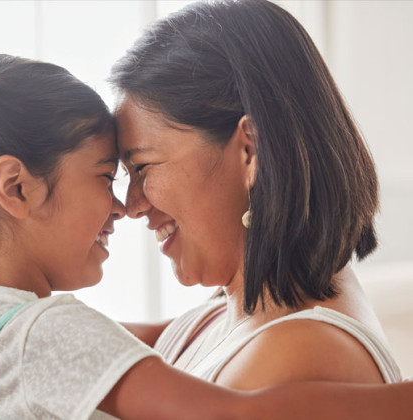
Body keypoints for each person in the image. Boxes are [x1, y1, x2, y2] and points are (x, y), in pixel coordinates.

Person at [0, 53, 413, 420]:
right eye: (109, 176)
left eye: (142, 168)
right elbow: (238, 415)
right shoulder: (48, 335)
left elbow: (197, 328)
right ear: (15, 187)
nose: (125, 205)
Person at [110, 0, 401, 389]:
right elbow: (75, 343)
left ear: (250, 151)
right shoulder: (235, 309)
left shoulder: (301, 353)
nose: (132, 206)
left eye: (142, 167)